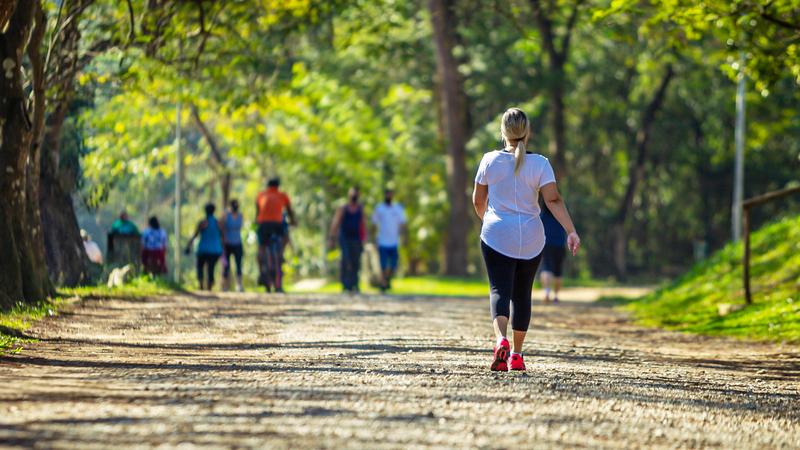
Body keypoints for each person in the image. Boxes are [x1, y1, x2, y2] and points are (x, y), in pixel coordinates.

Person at [472, 107, 580, 372]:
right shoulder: (540, 163)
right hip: (531, 237)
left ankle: (501, 341)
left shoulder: (489, 160)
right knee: (522, 295)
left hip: (496, 234)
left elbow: (478, 200)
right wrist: (571, 231)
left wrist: (488, 220)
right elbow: (553, 200)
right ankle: (517, 355)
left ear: (503, 132)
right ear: (527, 132)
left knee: (499, 289)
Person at [255, 178, 296, 292]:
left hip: (263, 225)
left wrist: (257, 221)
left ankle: (261, 269)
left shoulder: (261, 195)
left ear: (267, 186)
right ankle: (281, 253)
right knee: (285, 237)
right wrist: (293, 221)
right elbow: (289, 211)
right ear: (278, 186)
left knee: (261, 247)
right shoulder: (282, 195)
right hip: (277, 225)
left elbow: (257, 212)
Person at [329, 187, 366, 293]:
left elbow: (363, 223)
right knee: (346, 259)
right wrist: (332, 237)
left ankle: (355, 283)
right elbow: (336, 222)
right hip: (344, 238)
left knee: (356, 261)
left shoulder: (360, 208)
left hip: (357, 238)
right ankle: (345, 284)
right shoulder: (343, 208)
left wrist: (364, 238)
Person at [371, 188, 407, 292]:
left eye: (390, 194)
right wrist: (373, 239)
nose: (389, 196)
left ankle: (387, 279)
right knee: (383, 264)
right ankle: (383, 283)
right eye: (387, 194)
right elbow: (373, 224)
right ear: (385, 195)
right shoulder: (379, 208)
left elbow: (403, 224)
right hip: (382, 241)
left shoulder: (398, 209)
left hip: (394, 242)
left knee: (393, 264)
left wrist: (404, 237)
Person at [186, 203, 224, 290]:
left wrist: (189, 245)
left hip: (203, 249)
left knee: (200, 267)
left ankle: (201, 285)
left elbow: (195, 235)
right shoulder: (218, 223)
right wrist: (223, 248)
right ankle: (209, 286)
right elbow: (223, 236)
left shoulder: (203, 223)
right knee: (211, 268)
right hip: (215, 250)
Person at [540, 203, 567, 303]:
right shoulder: (562, 215)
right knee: (558, 271)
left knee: (546, 268)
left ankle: (547, 292)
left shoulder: (542, 215)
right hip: (560, 244)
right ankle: (556, 297)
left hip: (546, 244)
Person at [221, 199, 244, 292]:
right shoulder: (226, 215)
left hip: (238, 242)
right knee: (226, 266)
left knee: (238, 264)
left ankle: (239, 285)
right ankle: (225, 286)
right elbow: (221, 227)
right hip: (227, 243)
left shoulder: (240, 215)